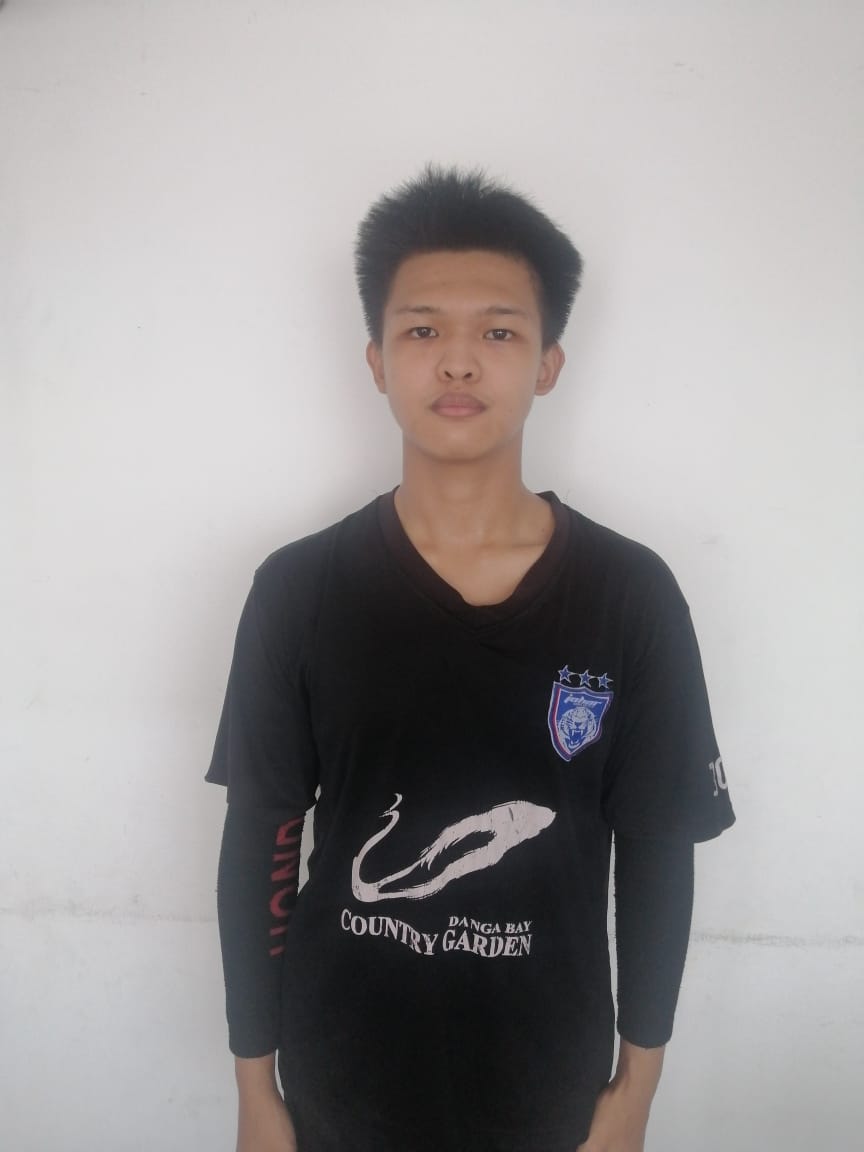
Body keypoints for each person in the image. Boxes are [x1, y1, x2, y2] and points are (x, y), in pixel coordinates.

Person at [206, 167, 735, 1152]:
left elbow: (660, 848)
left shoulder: (630, 594)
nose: (458, 363)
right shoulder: (298, 588)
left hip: (551, 1093)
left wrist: (637, 1090)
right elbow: (261, 839)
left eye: (497, 332)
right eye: (422, 331)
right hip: (338, 1083)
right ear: (376, 361)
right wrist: (254, 1088)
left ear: (548, 363)